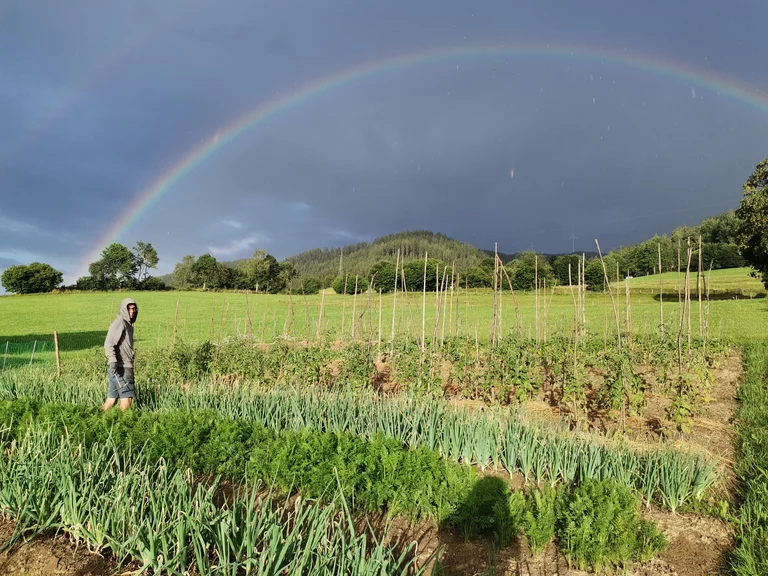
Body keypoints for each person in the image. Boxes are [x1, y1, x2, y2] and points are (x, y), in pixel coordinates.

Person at [103, 297, 138, 411]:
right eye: (129, 309)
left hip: (117, 367)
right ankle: (125, 421)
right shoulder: (120, 322)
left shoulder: (128, 324)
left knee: (111, 399)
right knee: (127, 398)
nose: (132, 311)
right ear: (124, 309)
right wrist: (113, 360)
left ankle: (97, 417)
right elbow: (109, 343)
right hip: (121, 367)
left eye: (134, 308)